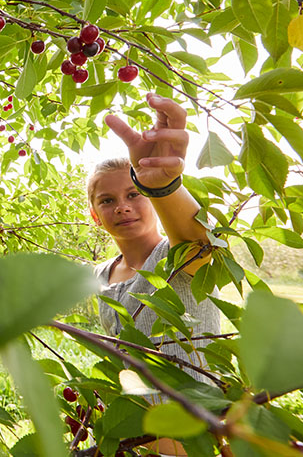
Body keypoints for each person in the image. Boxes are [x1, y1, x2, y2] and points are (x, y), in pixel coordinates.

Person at [87, 93, 221, 457]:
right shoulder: (102, 275)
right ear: (94, 213)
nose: (123, 206)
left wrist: (162, 186)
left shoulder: (174, 256)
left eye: (134, 193)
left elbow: (203, 245)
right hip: (132, 444)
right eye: (107, 200)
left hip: (195, 445)